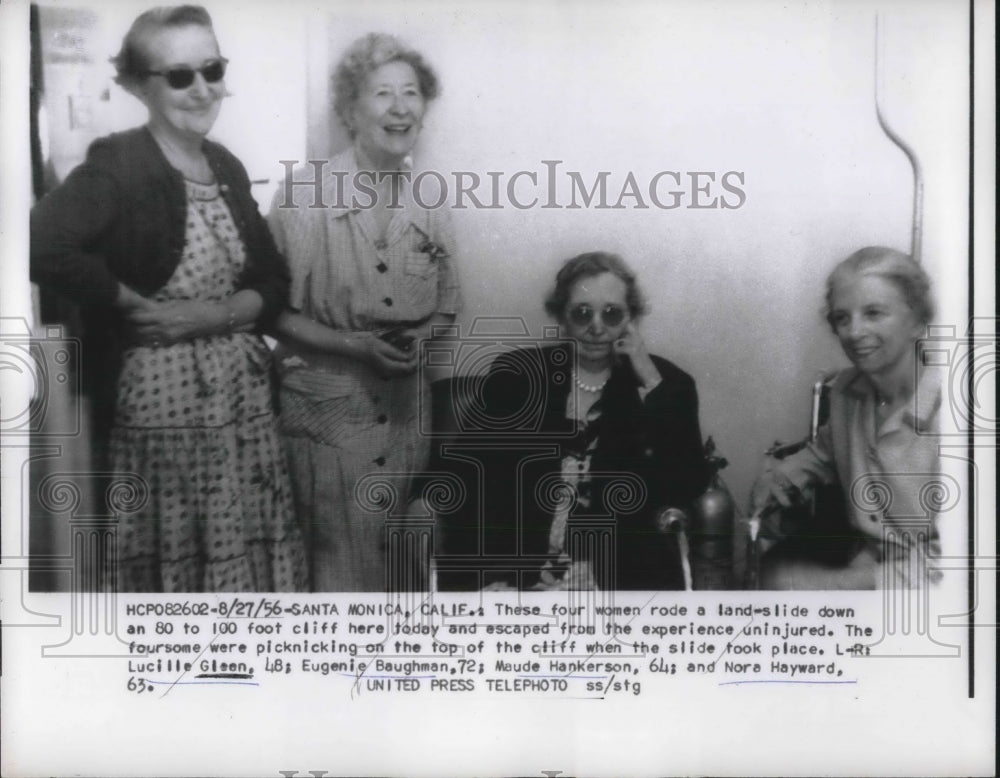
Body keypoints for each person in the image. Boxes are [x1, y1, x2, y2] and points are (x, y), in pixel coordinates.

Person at [30, 5, 306, 592]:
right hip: (166, 407)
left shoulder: (224, 164)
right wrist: (132, 305)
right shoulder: (119, 164)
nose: (202, 88)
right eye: (179, 76)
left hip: (243, 408)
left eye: (212, 69)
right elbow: (40, 243)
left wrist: (213, 315)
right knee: (177, 564)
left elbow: (274, 283)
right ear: (138, 85)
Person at [268, 33, 462, 591]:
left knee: (393, 577)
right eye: (382, 93)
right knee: (337, 576)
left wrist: (424, 337)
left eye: (412, 92)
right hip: (328, 422)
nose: (401, 107)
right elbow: (268, 314)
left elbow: (447, 303)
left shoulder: (430, 197)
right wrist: (352, 345)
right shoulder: (305, 195)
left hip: (404, 419)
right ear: (350, 110)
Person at [436, 251, 709, 591]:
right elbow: (464, 469)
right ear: (561, 317)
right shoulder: (517, 376)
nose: (596, 327)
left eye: (612, 314)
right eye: (582, 313)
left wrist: (650, 380)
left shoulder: (666, 383)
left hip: (616, 576)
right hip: (518, 573)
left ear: (631, 319)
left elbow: (688, 482)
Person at [750, 246, 941, 589]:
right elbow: (826, 450)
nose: (854, 332)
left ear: (918, 322)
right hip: (866, 563)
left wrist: (840, 584)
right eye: (842, 317)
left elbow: (963, 566)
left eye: (873, 313)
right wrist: (785, 475)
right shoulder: (846, 391)